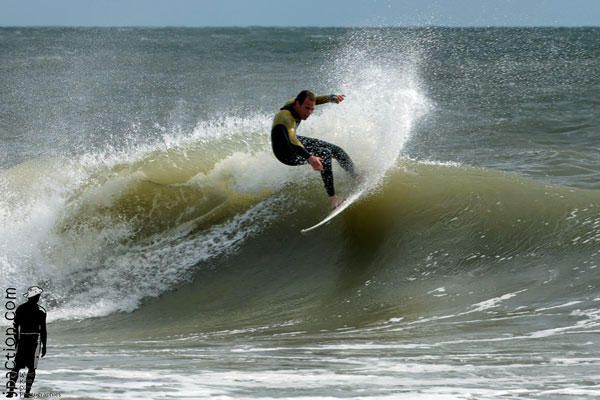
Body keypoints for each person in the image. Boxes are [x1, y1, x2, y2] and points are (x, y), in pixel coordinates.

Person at [271, 90, 358, 210]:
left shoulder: (297, 103)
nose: (309, 112)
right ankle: (333, 199)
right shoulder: (285, 117)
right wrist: (310, 157)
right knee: (324, 153)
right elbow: (291, 140)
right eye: (306, 108)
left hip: (293, 141)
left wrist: (331, 98)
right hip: (285, 153)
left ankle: (356, 176)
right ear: (297, 104)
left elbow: (316, 100)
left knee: (336, 150)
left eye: (311, 109)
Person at [6, 286, 47, 398]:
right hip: (35, 340)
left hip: (23, 339)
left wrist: (16, 341)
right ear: (36, 297)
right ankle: (27, 393)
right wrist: (44, 346)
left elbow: (15, 327)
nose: (38, 297)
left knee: (16, 367)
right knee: (32, 368)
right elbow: (43, 329)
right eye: (38, 296)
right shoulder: (41, 311)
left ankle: (10, 391)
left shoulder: (20, 309)